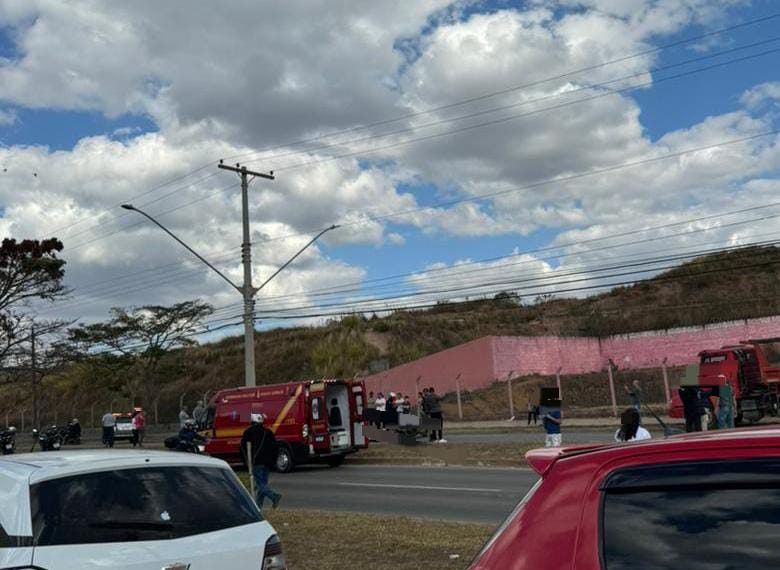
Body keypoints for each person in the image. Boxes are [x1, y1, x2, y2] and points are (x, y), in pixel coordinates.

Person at [241, 413, 282, 510]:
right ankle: (258, 508)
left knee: (260, 485)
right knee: (262, 485)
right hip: (267, 463)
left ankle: (274, 496)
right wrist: (274, 461)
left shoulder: (248, 432)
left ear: (252, 421)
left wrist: (246, 461)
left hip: (257, 461)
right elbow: (275, 447)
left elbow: (243, 447)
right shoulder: (269, 432)